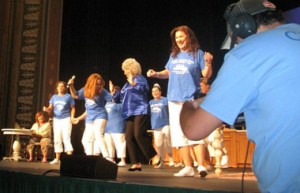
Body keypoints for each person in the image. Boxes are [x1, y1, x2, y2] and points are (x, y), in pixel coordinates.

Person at [180, 0, 300, 192]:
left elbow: (194, 129)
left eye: (235, 38)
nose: (236, 44)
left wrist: (188, 106)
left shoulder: (248, 52)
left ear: (243, 26)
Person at [147, 25, 213, 177]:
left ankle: (201, 166)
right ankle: (188, 167)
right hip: (173, 99)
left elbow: (206, 75)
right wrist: (156, 74)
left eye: (181, 37)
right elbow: (168, 73)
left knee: (195, 131)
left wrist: (208, 63)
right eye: (176, 38)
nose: (179, 40)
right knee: (178, 134)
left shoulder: (197, 53)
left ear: (189, 37)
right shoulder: (174, 55)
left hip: (190, 99)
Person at [120, 58, 158, 171]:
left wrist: (133, 82)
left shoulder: (140, 79)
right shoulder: (127, 84)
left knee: (138, 134)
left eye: (125, 69)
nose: (124, 72)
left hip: (140, 109)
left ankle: (154, 155)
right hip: (130, 111)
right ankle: (135, 163)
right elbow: (122, 96)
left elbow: (143, 89)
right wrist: (114, 93)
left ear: (130, 69)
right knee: (128, 137)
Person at [68, 73, 112, 159]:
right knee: (86, 140)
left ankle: (107, 157)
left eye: (100, 84)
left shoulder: (103, 91)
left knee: (98, 134)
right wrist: (71, 86)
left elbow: (112, 99)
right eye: (97, 84)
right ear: (92, 83)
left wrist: (113, 92)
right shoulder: (85, 90)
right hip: (89, 118)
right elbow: (75, 95)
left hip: (101, 115)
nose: (99, 86)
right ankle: (90, 158)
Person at [43, 81, 75, 164]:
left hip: (66, 119)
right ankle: (57, 159)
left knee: (66, 138)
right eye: (59, 86)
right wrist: (47, 109)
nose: (61, 88)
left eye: (62, 86)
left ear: (65, 88)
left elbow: (73, 108)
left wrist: (72, 117)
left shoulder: (68, 97)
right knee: (57, 138)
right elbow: (50, 109)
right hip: (56, 119)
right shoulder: (54, 97)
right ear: (57, 88)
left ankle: (69, 159)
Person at [149, 83, 174, 168]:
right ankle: (161, 162)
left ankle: (171, 157)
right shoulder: (150, 102)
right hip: (156, 125)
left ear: (160, 92)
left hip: (165, 123)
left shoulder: (165, 100)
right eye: (153, 91)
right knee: (159, 144)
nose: (155, 93)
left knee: (167, 136)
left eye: (156, 91)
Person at [104, 81, 127, 167]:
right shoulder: (107, 103)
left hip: (118, 127)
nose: (112, 94)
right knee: (109, 144)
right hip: (107, 127)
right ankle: (111, 159)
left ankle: (122, 160)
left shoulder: (121, 105)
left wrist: (115, 92)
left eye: (114, 92)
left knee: (120, 144)